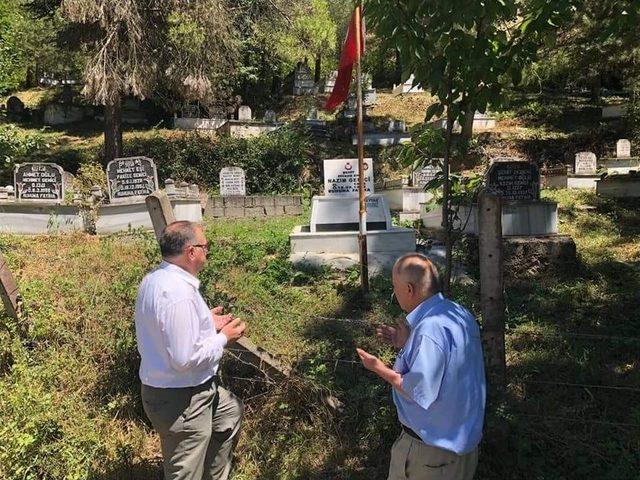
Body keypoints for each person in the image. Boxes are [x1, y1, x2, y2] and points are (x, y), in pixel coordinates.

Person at [356, 253, 486, 480]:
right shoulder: (460, 314)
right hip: (461, 451)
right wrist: (406, 344)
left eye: (394, 288)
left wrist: (377, 367)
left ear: (408, 289)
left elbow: (419, 391)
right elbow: (448, 369)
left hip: (429, 457)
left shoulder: (429, 329)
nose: (394, 294)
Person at [135, 220, 246, 480]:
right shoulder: (179, 294)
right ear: (191, 252)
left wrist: (205, 320)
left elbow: (166, 327)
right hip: (181, 399)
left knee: (229, 414)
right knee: (184, 472)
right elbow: (184, 358)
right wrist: (223, 338)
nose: (207, 252)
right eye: (205, 246)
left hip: (183, 390)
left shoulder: (155, 279)